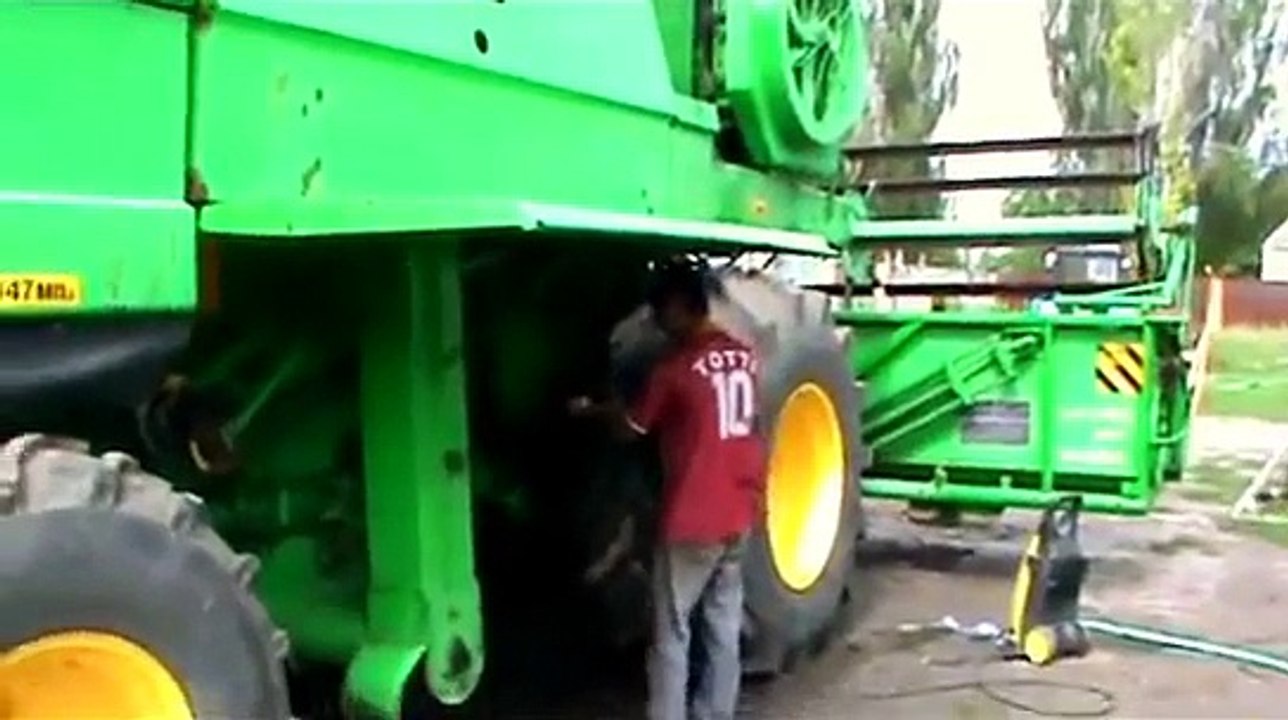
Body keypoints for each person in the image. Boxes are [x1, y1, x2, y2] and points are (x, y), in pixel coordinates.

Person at [569, 258, 766, 720]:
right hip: (739, 513)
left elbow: (632, 428)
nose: (658, 322)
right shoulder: (744, 356)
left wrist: (590, 411)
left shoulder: (676, 369)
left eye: (662, 311)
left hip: (693, 520)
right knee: (721, 627)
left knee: (672, 632)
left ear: (682, 306)